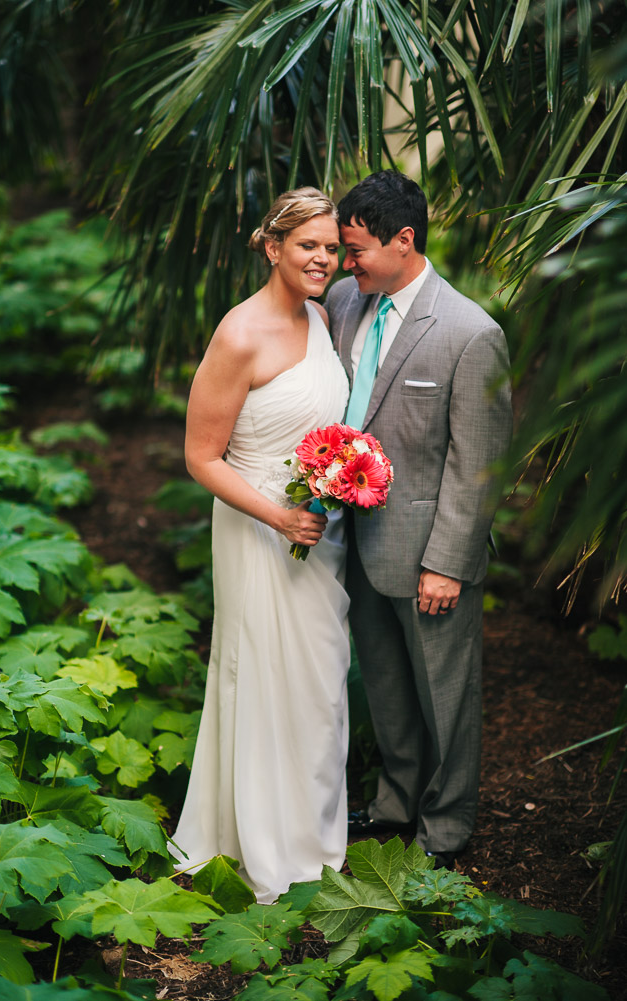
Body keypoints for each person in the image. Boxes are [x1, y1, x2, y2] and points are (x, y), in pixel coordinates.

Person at [169, 188, 351, 903]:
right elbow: (201, 457)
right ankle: (260, 842)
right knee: (264, 677)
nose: (323, 259)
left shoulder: (322, 316)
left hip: (318, 534)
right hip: (257, 531)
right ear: (273, 247)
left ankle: (312, 833)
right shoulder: (238, 334)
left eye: (333, 247)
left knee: (320, 684)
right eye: (309, 245)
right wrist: (279, 519)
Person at [325, 170, 512, 868]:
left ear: (404, 240)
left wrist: (448, 561)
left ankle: (446, 825)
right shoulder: (348, 302)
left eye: (358, 249)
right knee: (386, 687)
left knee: (445, 694)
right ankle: (396, 802)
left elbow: (478, 461)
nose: (347, 264)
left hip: (430, 552)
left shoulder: (470, 332)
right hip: (356, 541)